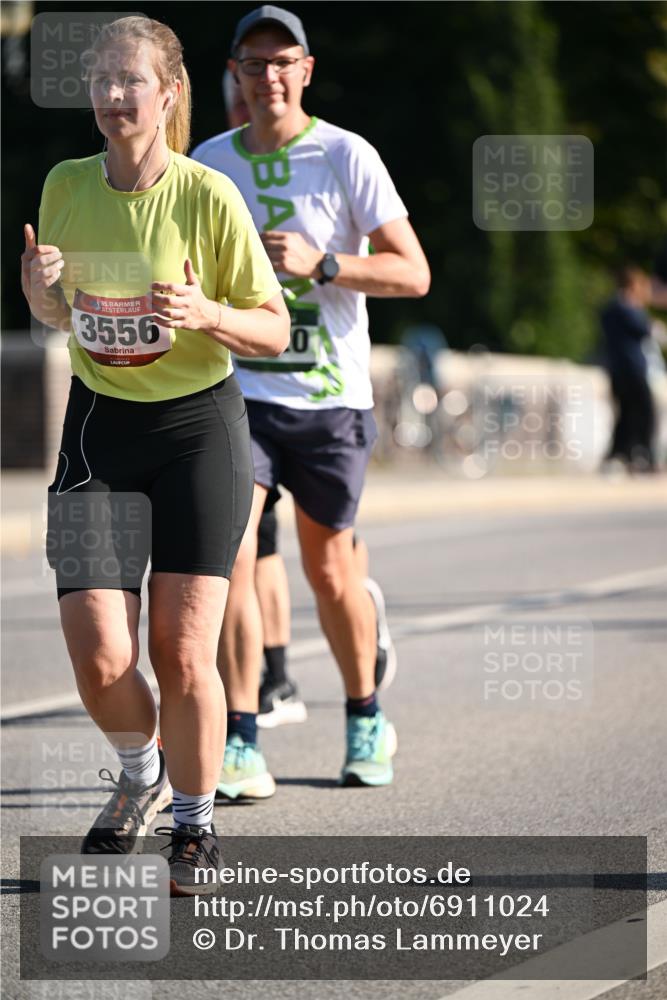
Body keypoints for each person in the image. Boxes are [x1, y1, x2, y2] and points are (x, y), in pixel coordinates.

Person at [21, 15, 288, 893]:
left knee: (181, 654)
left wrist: (207, 314)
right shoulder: (64, 183)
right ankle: (141, 774)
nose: (109, 95)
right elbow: (62, 316)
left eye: (128, 80)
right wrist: (39, 294)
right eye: (99, 79)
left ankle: (194, 823)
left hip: (196, 434)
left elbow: (273, 326)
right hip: (99, 429)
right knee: (99, 658)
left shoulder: (208, 195)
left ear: (168, 93)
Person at [192, 5, 429, 795]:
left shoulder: (344, 154)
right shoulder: (210, 161)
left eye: (281, 61)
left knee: (329, 574)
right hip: (238, 392)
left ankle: (365, 713)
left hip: (330, 400)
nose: (267, 78)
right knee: (227, 560)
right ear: (234, 73)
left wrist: (325, 265)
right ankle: (241, 737)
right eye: (252, 64)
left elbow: (413, 273)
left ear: (306, 70)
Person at [600, 266, 656, 472]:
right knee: (643, 413)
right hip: (632, 369)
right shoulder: (627, 308)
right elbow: (645, 330)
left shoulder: (610, 308)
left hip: (616, 369)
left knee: (625, 414)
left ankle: (621, 455)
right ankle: (640, 456)